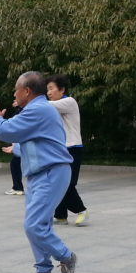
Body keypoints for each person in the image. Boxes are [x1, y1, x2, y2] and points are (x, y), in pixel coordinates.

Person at [0, 71, 78, 273]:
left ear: (26, 91)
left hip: (51, 172)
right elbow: (37, 139)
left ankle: (66, 256)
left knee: (34, 225)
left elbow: (6, 130)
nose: (14, 93)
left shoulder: (38, 109)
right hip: (41, 173)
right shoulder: (38, 109)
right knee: (40, 224)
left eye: (16, 89)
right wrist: (17, 148)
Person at [47, 74, 88, 225]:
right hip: (60, 149)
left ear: (62, 89)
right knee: (58, 182)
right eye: (47, 89)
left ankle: (81, 210)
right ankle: (61, 215)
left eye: (51, 88)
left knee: (67, 183)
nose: (48, 92)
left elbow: (45, 106)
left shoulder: (69, 102)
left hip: (73, 148)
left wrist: (30, 101)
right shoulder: (54, 107)